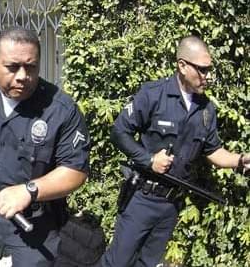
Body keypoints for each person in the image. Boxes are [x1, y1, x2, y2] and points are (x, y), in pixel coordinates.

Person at [0, 26, 91, 266]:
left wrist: (29, 190)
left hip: (36, 218)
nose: (22, 75)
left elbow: (75, 171)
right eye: (12, 67)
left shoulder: (60, 109)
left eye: (30, 67)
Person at [102, 35, 250, 267]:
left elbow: (213, 151)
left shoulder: (206, 109)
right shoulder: (153, 95)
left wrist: (240, 160)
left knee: (148, 264)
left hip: (171, 205)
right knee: (117, 263)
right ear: (182, 65)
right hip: (142, 198)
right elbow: (119, 132)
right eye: (202, 70)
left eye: (209, 69)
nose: (207, 76)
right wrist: (149, 159)